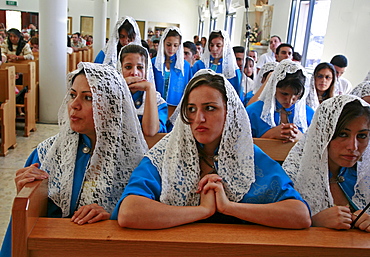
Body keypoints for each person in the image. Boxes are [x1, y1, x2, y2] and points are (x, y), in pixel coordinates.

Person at [112, 69, 311, 229]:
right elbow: (130, 212)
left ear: (229, 112)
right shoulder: (167, 153)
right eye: (191, 109)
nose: (199, 119)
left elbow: (299, 215)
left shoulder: (246, 155)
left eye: (209, 108)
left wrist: (228, 207)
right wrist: (203, 210)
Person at [0, 62, 148, 257]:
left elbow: (142, 223)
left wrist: (111, 216)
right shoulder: (47, 154)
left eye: (87, 98)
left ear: (111, 107)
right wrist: (27, 193)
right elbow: (27, 225)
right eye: (72, 95)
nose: (74, 105)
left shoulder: (134, 160)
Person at [283, 95, 370, 232]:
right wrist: (314, 221)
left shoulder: (364, 179)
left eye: (362, 136)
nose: (353, 147)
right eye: (342, 134)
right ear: (322, 134)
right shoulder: (293, 176)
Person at [246, 59, 314, 142]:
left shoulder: (309, 114)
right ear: (274, 88)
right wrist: (269, 135)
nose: (289, 100)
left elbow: (315, 146)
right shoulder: (253, 112)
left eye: (296, 95)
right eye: (284, 94)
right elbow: (241, 144)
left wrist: (301, 138)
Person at [118, 44, 168, 135]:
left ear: (147, 70)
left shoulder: (158, 101)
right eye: (128, 67)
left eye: (140, 67)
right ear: (120, 68)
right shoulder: (111, 96)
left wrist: (150, 88)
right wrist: (120, 85)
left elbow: (150, 131)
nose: (134, 73)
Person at [152, 26, 192, 118]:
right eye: (168, 45)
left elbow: (188, 88)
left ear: (179, 46)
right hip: (156, 107)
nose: (172, 49)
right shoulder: (154, 63)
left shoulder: (184, 66)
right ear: (163, 43)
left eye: (175, 45)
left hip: (176, 108)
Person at [192, 30, 242, 99]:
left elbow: (237, 95)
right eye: (211, 45)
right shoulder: (199, 65)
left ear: (225, 47)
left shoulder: (231, 70)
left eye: (218, 46)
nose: (214, 49)